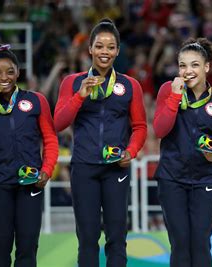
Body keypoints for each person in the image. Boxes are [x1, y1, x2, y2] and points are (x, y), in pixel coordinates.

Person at [54, 19, 147, 267]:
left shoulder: (130, 85)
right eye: (99, 46)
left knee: (117, 237)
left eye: (110, 47)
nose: (105, 52)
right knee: (87, 238)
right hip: (83, 168)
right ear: (90, 50)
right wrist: (79, 96)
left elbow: (139, 127)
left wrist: (131, 151)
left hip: (116, 168)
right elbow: (58, 123)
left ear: (117, 51)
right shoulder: (72, 82)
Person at [0, 44, 58, 266]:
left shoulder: (36, 100)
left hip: (31, 184)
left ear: (18, 72)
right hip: (0, 184)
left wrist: (46, 170)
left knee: (27, 248)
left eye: (10, 71)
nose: (4, 77)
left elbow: (50, 139)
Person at [153, 37, 212, 267]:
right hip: (171, 178)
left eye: (195, 65)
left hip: (203, 180)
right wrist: (175, 97)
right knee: (180, 242)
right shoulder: (168, 90)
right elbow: (160, 129)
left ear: (206, 67)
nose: (188, 71)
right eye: (183, 65)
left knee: (200, 243)